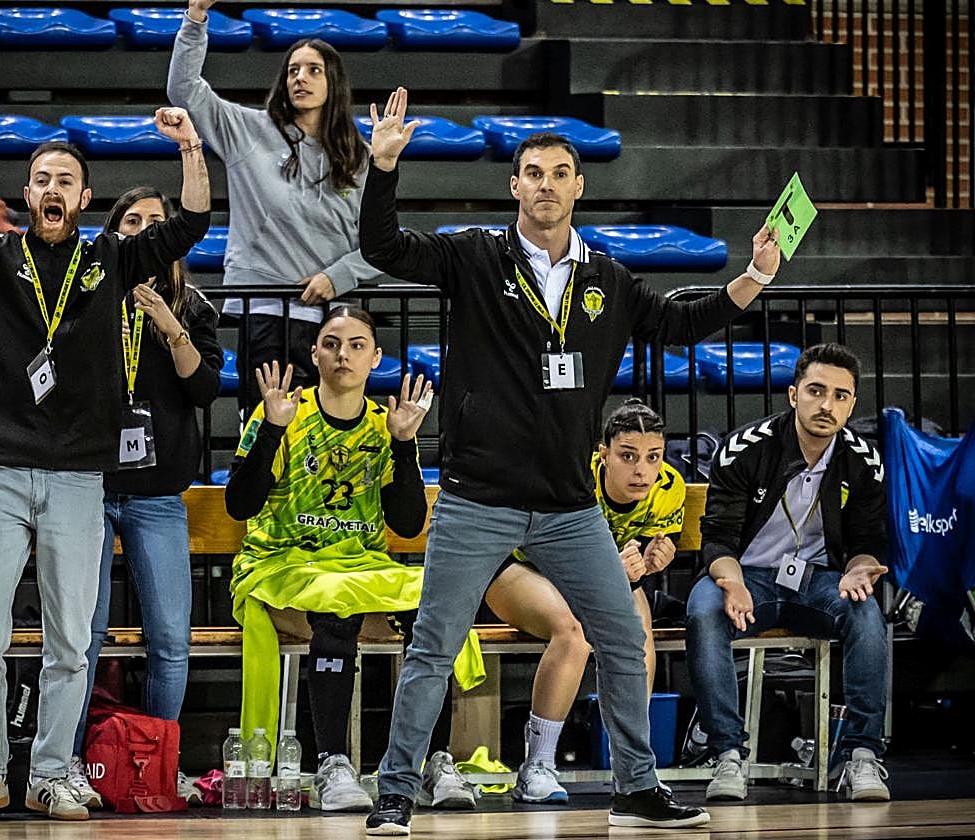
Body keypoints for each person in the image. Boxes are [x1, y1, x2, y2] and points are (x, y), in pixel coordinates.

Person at [359, 87, 783, 834]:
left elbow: (680, 323)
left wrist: (752, 280)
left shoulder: (608, 281)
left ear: (578, 187)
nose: (547, 184)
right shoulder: (472, 257)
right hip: (475, 498)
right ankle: (395, 791)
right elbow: (383, 248)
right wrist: (384, 167)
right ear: (514, 185)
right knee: (432, 645)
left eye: (560, 173)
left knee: (622, 637)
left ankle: (635, 788)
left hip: (568, 506)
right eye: (534, 172)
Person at [0, 109, 211, 821]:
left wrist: (192, 147)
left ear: (82, 198)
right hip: (0, 470)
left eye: (65, 180)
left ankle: (49, 773)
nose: (51, 187)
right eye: (41, 178)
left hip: (78, 475)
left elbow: (192, 221)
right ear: (26, 191)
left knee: (71, 640)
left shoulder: (111, 257)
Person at [225, 306, 484, 812]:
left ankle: (433, 761)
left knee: (434, 604)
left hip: (361, 563)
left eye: (357, 344)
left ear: (375, 358)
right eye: (331, 343)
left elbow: (408, 524)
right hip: (281, 560)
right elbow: (240, 505)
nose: (343, 353)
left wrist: (405, 444)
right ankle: (332, 762)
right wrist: (274, 430)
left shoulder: (383, 424)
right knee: (335, 604)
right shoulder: (281, 409)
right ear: (315, 353)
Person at [67, 187, 224, 808]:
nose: (143, 230)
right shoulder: (89, 298)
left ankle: (161, 761)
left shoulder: (195, 306)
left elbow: (206, 390)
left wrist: (168, 323)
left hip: (158, 493)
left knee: (170, 639)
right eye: (131, 221)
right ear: (113, 233)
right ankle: (71, 765)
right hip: (91, 489)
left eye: (156, 222)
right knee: (84, 635)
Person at [688, 342, 890, 802]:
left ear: (852, 403)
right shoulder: (743, 449)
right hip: (747, 574)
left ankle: (862, 756)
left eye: (841, 396)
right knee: (704, 611)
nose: (827, 405)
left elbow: (866, 543)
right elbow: (716, 537)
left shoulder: (864, 460)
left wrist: (860, 571)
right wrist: (731, 580)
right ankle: (727, 755)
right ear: (793, 394)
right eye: (816, 391)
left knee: (865, 614)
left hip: (820, 580)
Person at [167, 0, 383, 416]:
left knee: (326, 441)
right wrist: (195, 17)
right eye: (293, 70)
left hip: (335, 322)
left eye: (313, 70)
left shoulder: (360, 156)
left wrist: (337, 277)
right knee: (268, 437)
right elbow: (184, 91)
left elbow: (381, 245)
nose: (300, 78)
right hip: (264, 311)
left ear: (333, 82)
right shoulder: (248, 130)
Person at [485, 398, 684, 803]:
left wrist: (656, 557)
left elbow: (651, 546)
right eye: (627, 456)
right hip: (522, 568)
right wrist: (612, 570)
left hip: (603, 575)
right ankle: (537, 766)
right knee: (571, 634)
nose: (642, 469)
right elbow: (545, 547)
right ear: (603, 454)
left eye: (653, 457)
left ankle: (633, 770)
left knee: (636, 639)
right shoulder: (572, 477)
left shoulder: (669, 488)